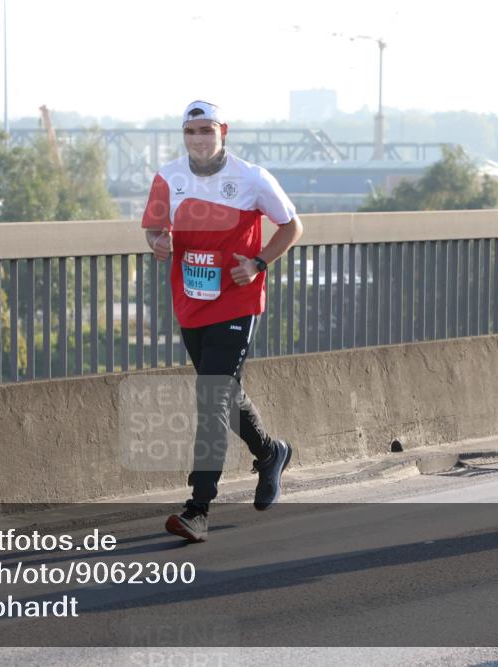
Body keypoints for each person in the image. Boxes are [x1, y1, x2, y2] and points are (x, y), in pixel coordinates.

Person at [142, 100, 304, 542]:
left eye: (206, 130)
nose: (198, 139)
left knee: (210, 398)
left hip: (238, 301)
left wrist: (258, 262)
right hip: (191, 302)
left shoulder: (252, 177)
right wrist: (159, 242)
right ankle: (270, 454)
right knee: (225, 396)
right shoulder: (168, 178)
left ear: (223, 131)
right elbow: (155, 228)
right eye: (190, 131)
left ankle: (198, 509)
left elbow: (292, 227)